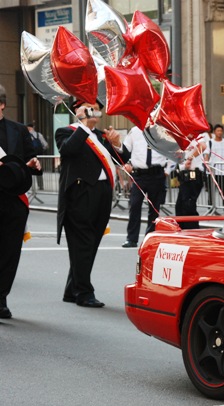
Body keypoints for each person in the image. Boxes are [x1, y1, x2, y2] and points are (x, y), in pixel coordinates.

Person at [55, 99, 129, 308]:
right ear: (76, 110)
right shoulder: (66, 132)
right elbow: (68, 150)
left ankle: (72, 289)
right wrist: (84, 126)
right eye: (88, 108)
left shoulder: (101, 136)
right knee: (83, 243)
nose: (93, 112)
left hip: (102, 194)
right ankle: (84, 292)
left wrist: (117, 143)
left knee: (91, 243)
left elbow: (123, 160)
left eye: (95, 109)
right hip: (80, 195)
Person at [0, 84, 42, 318]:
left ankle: (1, 298)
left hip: (13, 200)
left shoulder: (18, 130)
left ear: (2, 104)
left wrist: (34, 164)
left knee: (10, 252)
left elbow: (31, 159)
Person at [121, 126, 168, 248]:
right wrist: (127, 163)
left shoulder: (162, 130)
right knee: (134, 205)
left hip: (157, 173)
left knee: (154, 208)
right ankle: (131, 238)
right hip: (139, 174)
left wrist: (168, 170)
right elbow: (125, 150)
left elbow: (172, 151)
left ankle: (150, 237)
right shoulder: (135, 131)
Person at [174, 137, 207, 229]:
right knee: (180, 206)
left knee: (188, 206)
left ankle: (192, 231)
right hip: (183, 175)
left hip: (193, 176)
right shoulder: (180, 136)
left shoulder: (195, 134)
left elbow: (203, 146)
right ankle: (183, 231)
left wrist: (190, 158)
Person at [204, 123, 224, 213]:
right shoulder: (210, 142)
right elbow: (206, 155)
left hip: (222, 171)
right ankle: (211, 208)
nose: (219, 132)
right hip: (212, 171)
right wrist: (207, 166)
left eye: (221, 131)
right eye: (218, 131)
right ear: (214, 132)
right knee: (211, 191)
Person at [27, 123, 48, 190]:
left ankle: (29, 186)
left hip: (30, 156)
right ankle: (40, 186)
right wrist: (41, 150)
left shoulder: (26, 135)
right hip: (39, 156)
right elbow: (45, 145)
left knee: (28, 170)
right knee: (38, 169)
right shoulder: (39, 135)